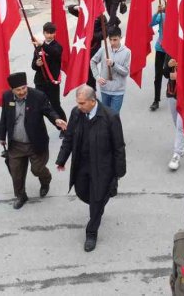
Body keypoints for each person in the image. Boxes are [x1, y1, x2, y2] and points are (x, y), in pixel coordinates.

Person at [56, 85, 127, 252]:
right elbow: (69, 137)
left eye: (82, 103)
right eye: (78, 103)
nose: (79, 106)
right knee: (82, 192)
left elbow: (119, 147)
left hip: (102, 168)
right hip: (82, 164)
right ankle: (99, 204)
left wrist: (118, 173)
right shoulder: (76, 113)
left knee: (97, 199)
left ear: (93, 101)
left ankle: (91, 232)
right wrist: (61, 159)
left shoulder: (111, 117)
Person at [0, 72, 68, 209]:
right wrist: (2, 136)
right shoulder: (7, 97)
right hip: (16, 144)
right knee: (16, 174)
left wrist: (56, 119)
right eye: (18, 89)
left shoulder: (38, 96)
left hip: (35, 142)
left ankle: (46, 180)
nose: (22, 91)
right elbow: (4, 117)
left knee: (37, 169)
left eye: (24, 88)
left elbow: (49, 111)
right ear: (12, 90)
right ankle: (21, 196)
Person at [32, 22, 67, 123]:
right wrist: (37, 64)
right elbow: (33, 66)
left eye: (52, 33)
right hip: (40, 81)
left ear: (55, 33)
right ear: (43, 33)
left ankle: (64, 127)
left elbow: (54, 53)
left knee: (55, 105)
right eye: (47, 33)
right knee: (39, 106)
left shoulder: (57, 46)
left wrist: (42, 44)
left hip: (52, 82)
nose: (50, 35)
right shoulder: (38, 47)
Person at [90, 26, 131, 113]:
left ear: (120, 38)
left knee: (114, 117)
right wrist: (97, 77)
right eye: (110, 39)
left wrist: (113, 64)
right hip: (105, 89)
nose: (112, 42)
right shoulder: (103, 49)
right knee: (105, 116)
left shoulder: (127, 52)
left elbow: (125, 72)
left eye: (115, 40)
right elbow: (92, 61)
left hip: (118, 91)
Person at [163, 55, 184, 170]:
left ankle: (176, 155)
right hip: (172, 93)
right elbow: (164, 73)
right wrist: (169, 68)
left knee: (180, 125)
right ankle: (183, 142)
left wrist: (181, 76)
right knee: (176, 122)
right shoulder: (169, 52)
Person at [150, 6, 167, 112]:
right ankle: (156, 100)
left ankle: (175, 96)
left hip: (172, 50)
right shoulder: (162, 15)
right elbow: (151, 24)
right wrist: (157, 13)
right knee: (158, 75)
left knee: (172, 75)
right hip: (160, 49)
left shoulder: (179, 15)